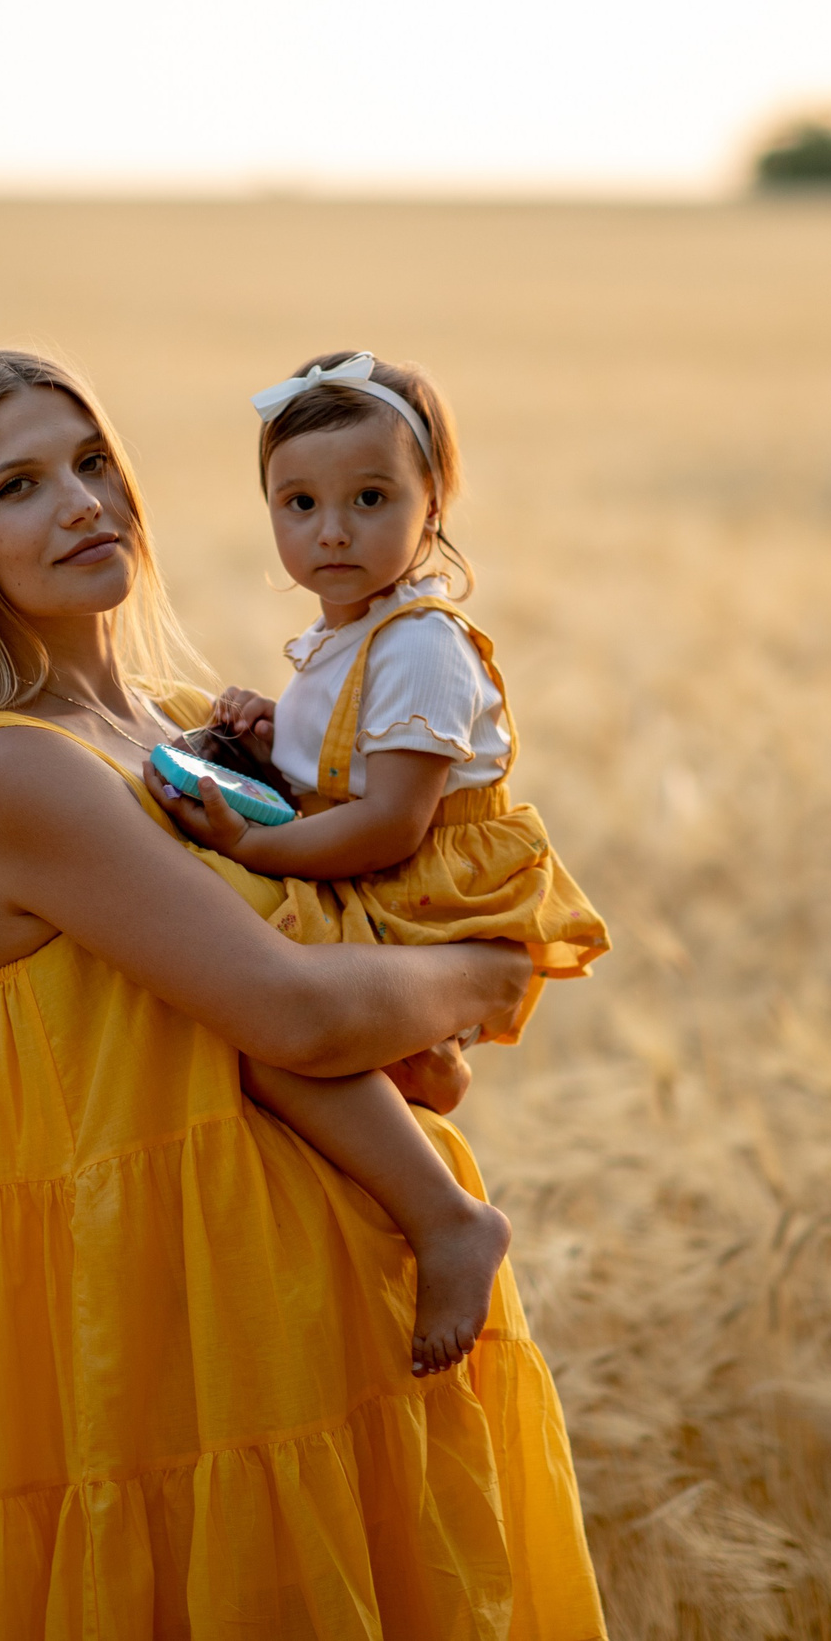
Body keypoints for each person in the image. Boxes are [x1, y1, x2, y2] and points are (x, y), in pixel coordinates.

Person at [0, 348, 606, 1638]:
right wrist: (477, 974)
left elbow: (359, 912)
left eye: (93, 461)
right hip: (191, 1348)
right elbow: (300, 1011)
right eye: (19, 486)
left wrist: (417, 990)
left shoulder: (188, 725)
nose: (83, 502)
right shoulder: (10, 775)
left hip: (349, 1313)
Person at [149, 352, 610, 1379]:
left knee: (273, 1029)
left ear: (433, 498)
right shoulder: (346, 634)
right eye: (298, 502)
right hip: (372, 860)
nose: (331, 530)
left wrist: (254, 841)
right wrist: (276, 737)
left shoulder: (419, 644)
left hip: (427, 886)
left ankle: (451, 1221)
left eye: (370, 498)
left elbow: (393, 820)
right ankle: (413, 1067)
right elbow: (345, 764)